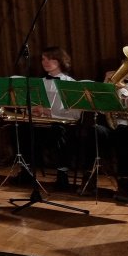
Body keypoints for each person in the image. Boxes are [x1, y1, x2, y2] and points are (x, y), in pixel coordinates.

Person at [26, 46, 79, 191]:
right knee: (19, 129)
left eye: (50, 59)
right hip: (40, 124)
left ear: (60, 61)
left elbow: (75, 115)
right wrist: (33, 110)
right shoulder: (39, 83)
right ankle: (27, 171)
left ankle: (62, 175)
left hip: (61, 125)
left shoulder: (71, 83)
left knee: (58, 131)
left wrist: (49, 113)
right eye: (43, 59)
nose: (46, 62)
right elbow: (30, 106)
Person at [97, 60, 128, 203]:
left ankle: (125, 183)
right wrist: (107, 84)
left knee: (125, 135)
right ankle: (124, 184)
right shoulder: (115, 83)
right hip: (119, 128)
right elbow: (101, 109)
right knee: (122, 133)